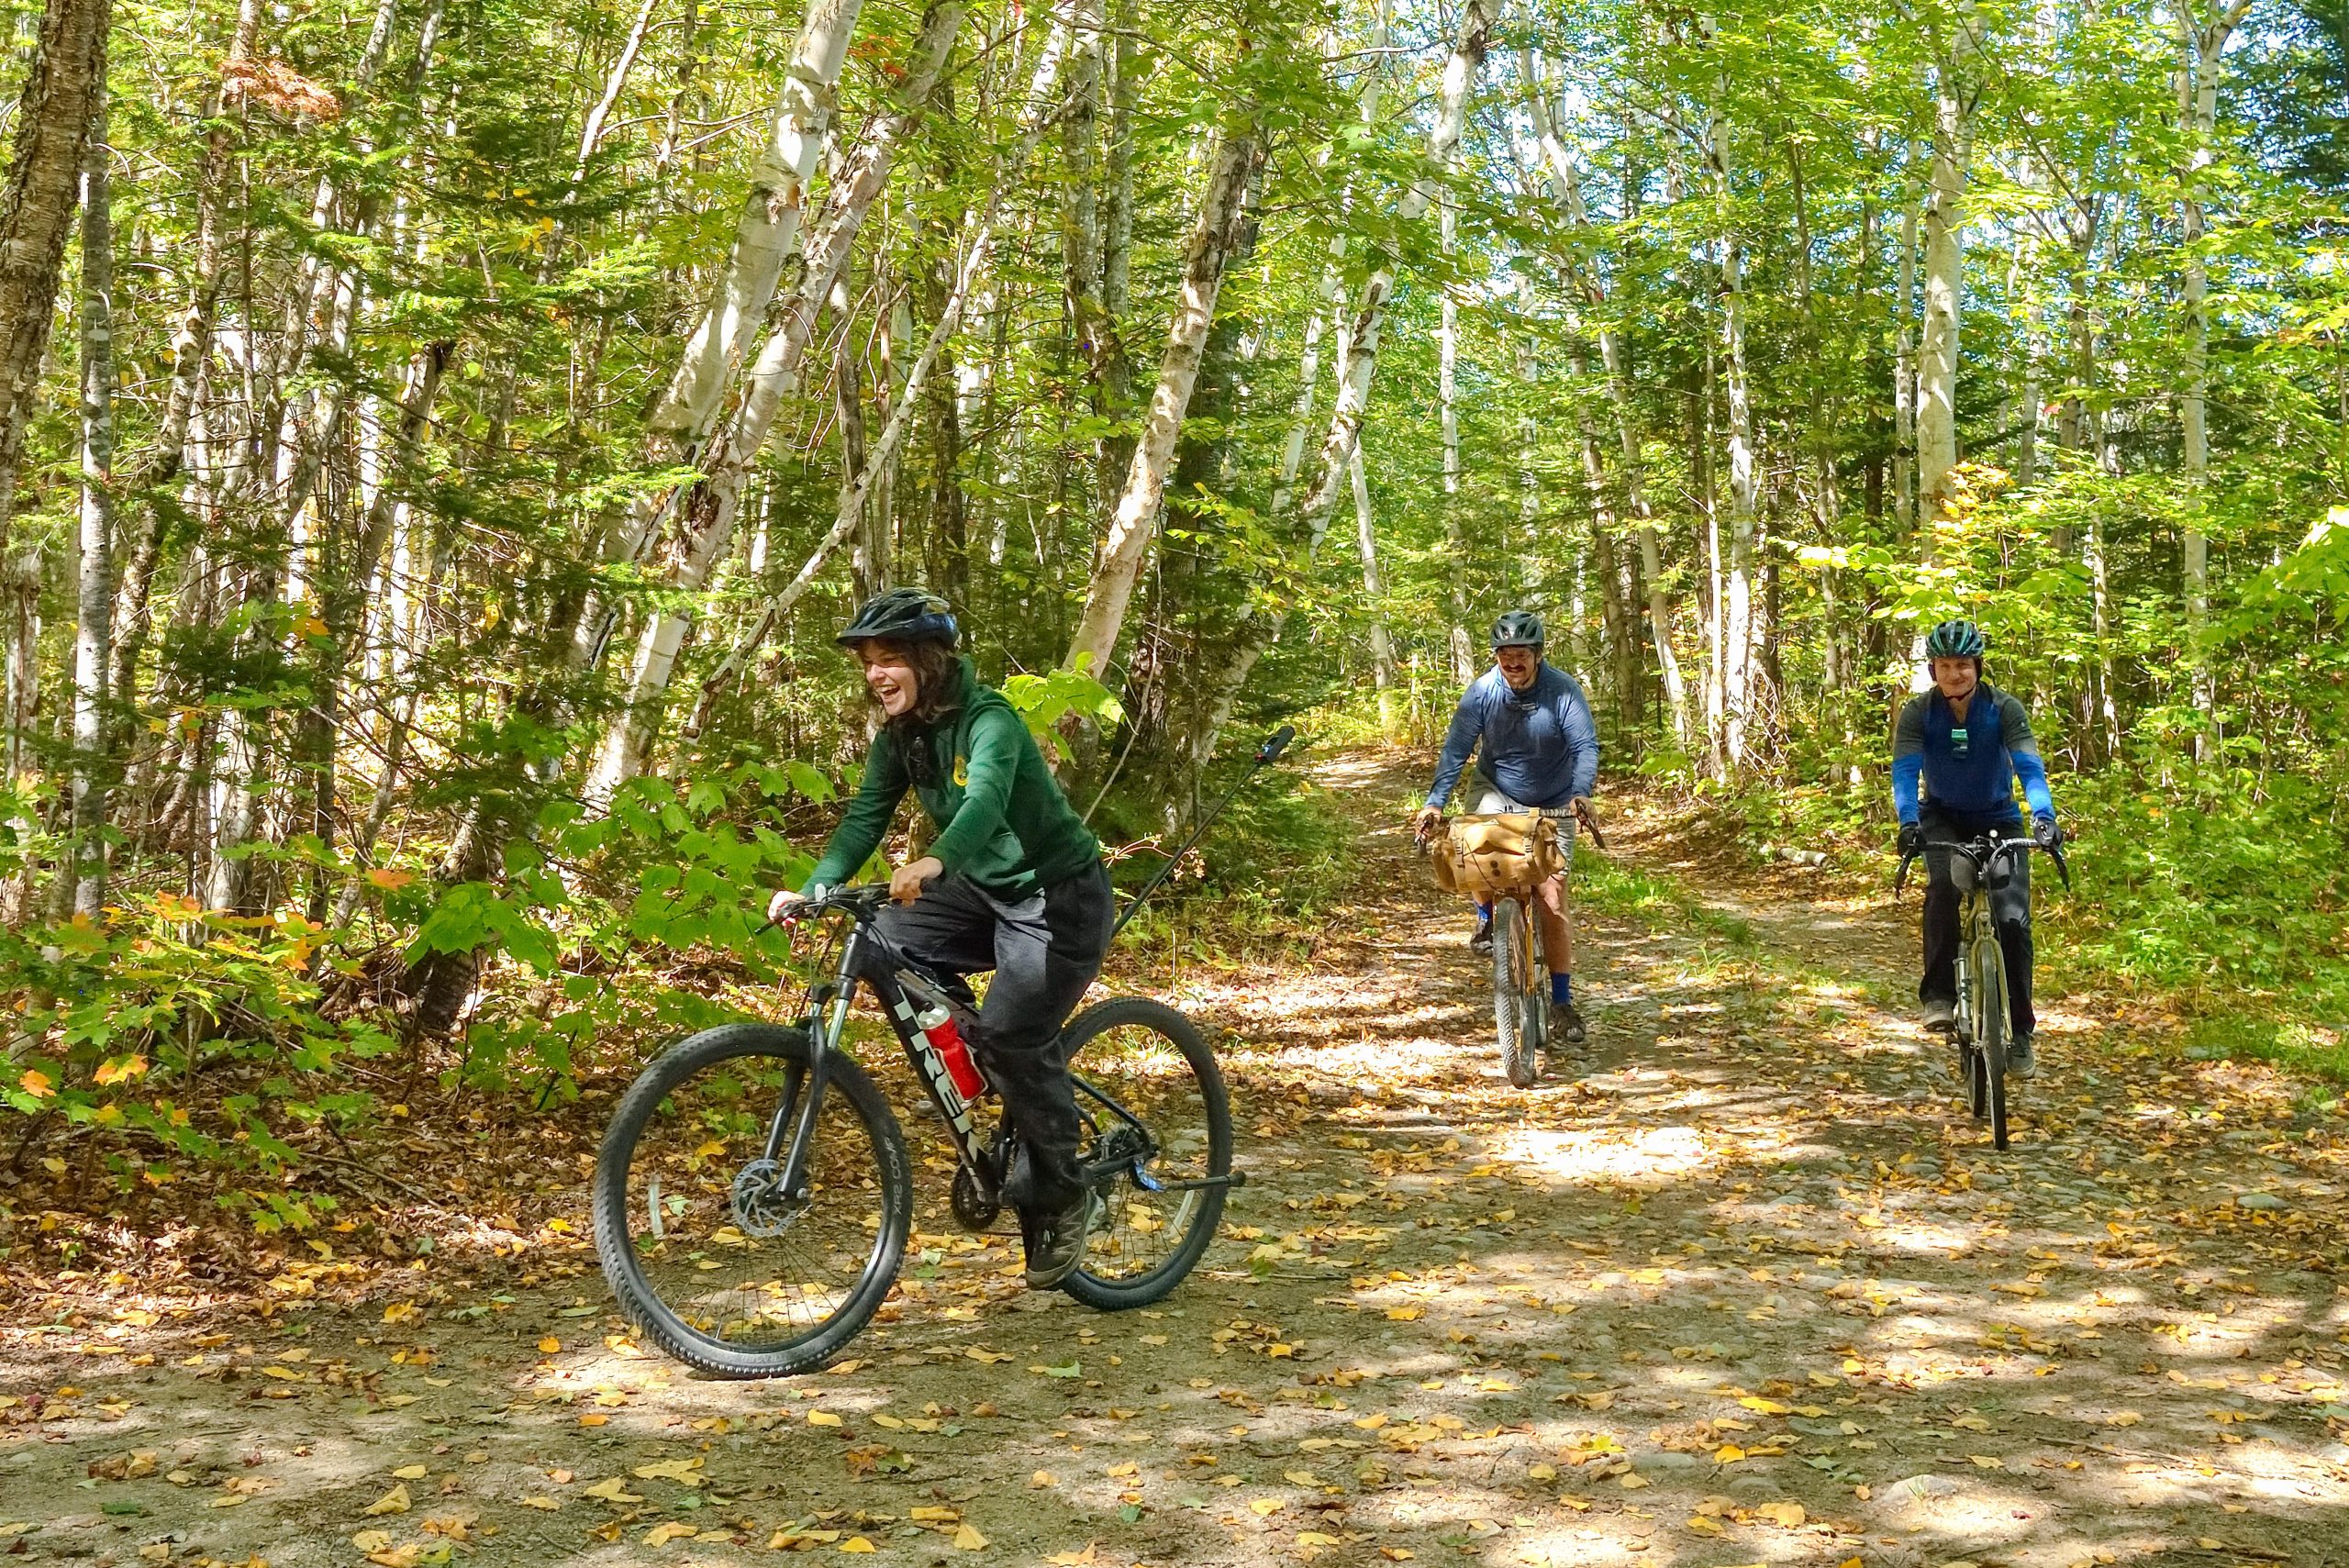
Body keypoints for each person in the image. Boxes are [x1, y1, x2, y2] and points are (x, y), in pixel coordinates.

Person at [767, 588, 1114, 1288]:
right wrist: (816, 886)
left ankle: (1069, 1189)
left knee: (1013, 1034)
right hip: (984, 893)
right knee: (886, 938)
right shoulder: (903, 736)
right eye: (868, 662)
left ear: (927, 659)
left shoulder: (990, 721)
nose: (875, 673)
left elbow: (984, 799)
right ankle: (984, 1060)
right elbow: (865, 817)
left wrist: (936, 859)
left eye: (889, 657)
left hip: (1057, 896)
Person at [1412, 610, 1600, 1046]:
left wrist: (1581, 792)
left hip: (1555, 796)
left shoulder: (1563, 692)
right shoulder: (1482, 693)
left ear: (1537, 656)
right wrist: (1435, 803)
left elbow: (1584, 746)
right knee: (1473, 851)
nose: (1513, 663)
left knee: (1552, 892)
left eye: (1521, 655)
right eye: (1505, 655)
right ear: (1496, 656)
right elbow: (1456, 750)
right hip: (1497, 786)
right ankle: (1485, 919)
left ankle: (1561, 1000)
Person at [1892, 619, 2062, 1079]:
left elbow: (2028, 766)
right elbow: (1905, 772)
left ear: (1977, 667)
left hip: (1998, 817)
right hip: (1941, 816)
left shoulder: (2004, 709)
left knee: (2012, 922)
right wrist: (1908, 822)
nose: (1955, 674)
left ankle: (2022, 1033)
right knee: (1944, 890)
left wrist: (2044, 817)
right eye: (1945, 665)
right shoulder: (1917, 713)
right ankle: (1940, 998)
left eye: (1963, 665)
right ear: (1933, 669)